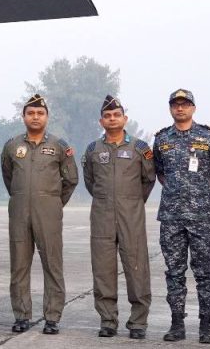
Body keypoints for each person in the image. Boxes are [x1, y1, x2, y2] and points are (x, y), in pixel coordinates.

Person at [1, 94, 78, 335]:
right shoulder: (12, 145)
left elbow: (71, 180)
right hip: (19, 212)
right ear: (23, 116)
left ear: (47, 117)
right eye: (31, 113)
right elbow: (8, 176)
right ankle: (21, 315)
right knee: (19, 266)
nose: (35, 117)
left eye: (40, 113)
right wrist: (23, 197)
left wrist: (53, 202)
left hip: (49, 214)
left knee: (52, 265)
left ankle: (52, 317)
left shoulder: (59, 146)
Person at [81, 95, 154, 340]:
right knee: (103, 270)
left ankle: (138, 322)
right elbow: (90, 182)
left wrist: (131, 203)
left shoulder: (140, 148)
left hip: (131, 217)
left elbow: (148, 180)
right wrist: (107, 201)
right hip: (101, 216)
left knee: (136, 268)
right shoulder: (93, 149)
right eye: (108, 116)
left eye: (117, 115)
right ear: (101, 121)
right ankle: (108, 320)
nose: (112, 119)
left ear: (125, 119)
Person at [153, 89, 210, 343]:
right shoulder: (162, 139)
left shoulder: (209, 137)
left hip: (202, 215)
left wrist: (200, 193)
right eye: (175, 105)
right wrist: (178, 193)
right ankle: (177, 325)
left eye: (185, 104)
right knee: (174, 271)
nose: (180, 109)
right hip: (171, 216)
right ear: (170, 108)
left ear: (193, 107)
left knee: (204, 272)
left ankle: (205, 327)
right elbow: (161, 173)